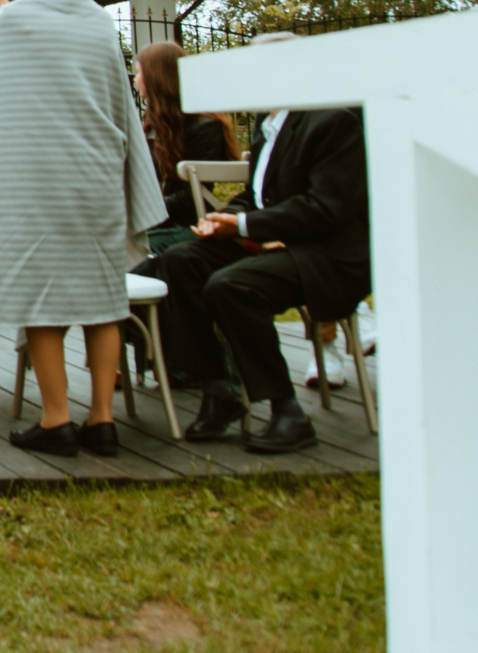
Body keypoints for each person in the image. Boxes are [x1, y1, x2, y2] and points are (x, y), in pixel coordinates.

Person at [0, 0, 166, 458]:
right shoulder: (99, 22)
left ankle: (56, 419)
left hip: (33, 180)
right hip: (96, 175)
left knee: (41, 301)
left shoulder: (10, 21)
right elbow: (115, 100)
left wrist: (2, 17)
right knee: (105, 300)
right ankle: (102, 419)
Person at [140, 35, 371, 454]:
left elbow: (325, 208)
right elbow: (261, 194)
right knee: (181, 260)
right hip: (278, 240)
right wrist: (226, 216)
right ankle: (218, 390)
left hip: (326, 254)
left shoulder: (332, 120)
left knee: (232, 285)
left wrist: (244, 223)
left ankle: (287, 411)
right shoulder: (272, 123)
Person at [133, 41, 240, 255]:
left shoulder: (205, 125)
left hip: (189, 226)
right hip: (152, 222)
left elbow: (191, 198)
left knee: (118, 248)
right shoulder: (153, 124)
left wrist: (137, 211)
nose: (135, 80)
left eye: (138, 72)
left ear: (155, 77)